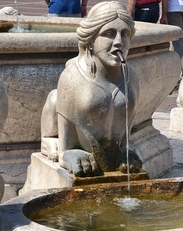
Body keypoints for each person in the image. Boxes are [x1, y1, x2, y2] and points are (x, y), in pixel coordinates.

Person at [49, 1, 141, 176]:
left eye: (125, 34)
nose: (119, 42)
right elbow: (65, 149)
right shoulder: (72, 76)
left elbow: (126, 134)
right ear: (91, 39)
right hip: (75, 146)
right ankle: (47, 140)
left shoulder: (131, 76)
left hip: (109, 154)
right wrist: (66, 153)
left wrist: (125, 151)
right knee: (54, 98)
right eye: (109, 33)